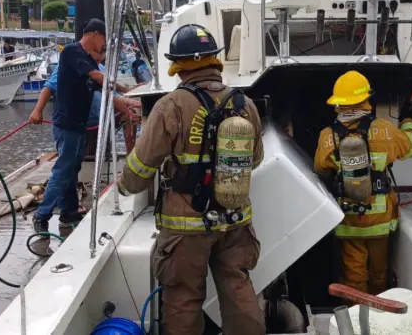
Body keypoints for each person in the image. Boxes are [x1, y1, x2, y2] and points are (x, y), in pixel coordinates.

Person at [117, 24, 265, 335]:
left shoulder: (170, 106)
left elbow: (141, 168)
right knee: (238, 288)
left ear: (179, 67)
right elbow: (255, 159)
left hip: (186, 227)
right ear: (214, 61)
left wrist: (124, 186)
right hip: (235, 220)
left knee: (183, 298)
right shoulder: (244, 104)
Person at [313, 70, 412, 295]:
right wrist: (408, 121)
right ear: (366, 100)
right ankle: (379, 314)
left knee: (354, 275)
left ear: (339, 104)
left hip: (350, 219)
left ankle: (356, 317)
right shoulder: (386, 130)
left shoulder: (327, 135)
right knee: (379, 273)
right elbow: (410, 147)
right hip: (381, 220)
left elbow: (320, 168)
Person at [32, 18, 123, 234]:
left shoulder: (90, 62)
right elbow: (97, 78)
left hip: (79, 125)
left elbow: (105, 89)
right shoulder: (72, 53)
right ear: (93, 34)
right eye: (103, 39)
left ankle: (68, 211)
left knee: (72, 169)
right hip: (67, 124)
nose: (104, 45)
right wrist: (37, 110)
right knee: (64, 170)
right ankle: (42, 214)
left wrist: (126, 102)